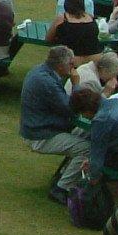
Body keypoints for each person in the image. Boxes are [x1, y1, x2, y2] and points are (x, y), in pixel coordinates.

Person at [19, 45, 88, 201]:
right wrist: (76, 84)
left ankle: (64, 174)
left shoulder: (40, 72)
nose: (74, 67)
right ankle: (61, 188)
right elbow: (71, 110)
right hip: (41, 135)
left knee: (86, 134)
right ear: (60, 66)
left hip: (40, 128)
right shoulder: (47, 82)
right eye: (71, 63)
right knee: (86, 149)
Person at [72, 87, 118, 204]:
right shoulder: (117, 101)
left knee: (108, 172)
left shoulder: (101, 120)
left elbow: (97, 156)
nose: (84, 117)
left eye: (82, 114)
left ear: (87, 110)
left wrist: (92, 178)